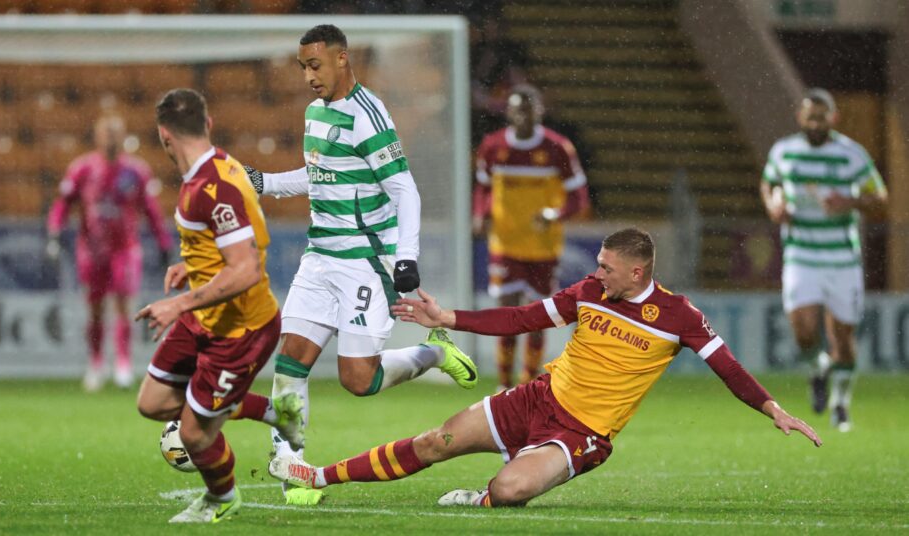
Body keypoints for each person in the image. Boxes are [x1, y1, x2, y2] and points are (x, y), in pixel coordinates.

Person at [267, 227, 822, 507]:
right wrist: (447, 316)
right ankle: (314, 477)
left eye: (607, 267)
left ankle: (480, 499)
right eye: (598, 265)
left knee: (509, 492)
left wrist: (772, 408)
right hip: (537, 397)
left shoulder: (678, 316)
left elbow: (728, 367)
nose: (596, 272)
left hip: (582, 433)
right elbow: (522, 318)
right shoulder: (589, 293)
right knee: (438, 441)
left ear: (637, 271)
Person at [243, 24, 478, 504]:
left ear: (342, 59)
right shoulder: (315, 112)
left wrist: (405, 258)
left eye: (315, 65)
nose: (309, 76)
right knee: (291, 362)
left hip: (365, 262)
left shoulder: (369, 115)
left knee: (358, 380)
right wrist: (263, 182)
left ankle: (433, 353)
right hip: (320, 257)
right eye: (303, 67)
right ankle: (294, 469)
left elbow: (403, 188)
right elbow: (320, 174)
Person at [135, 88, 299, 523]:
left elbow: (245, 269)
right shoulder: (220, 168)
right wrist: (192, 265)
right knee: (153, 403)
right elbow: (232, 243)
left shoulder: (212, 186)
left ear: (163, 135)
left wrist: (178, 304)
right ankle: (271, 410)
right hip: (206, 317)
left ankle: (223, 498)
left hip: (241, 330)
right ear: (207, 124)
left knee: (193, 432)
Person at [760, 88, 888, 432]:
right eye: (809, 116)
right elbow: (769, 183)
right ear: (800, 118)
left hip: (842, 258)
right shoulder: (784, 151)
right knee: (803, 331)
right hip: (801, 254)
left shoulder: (851, 154)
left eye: (821, 116)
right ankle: (818, 368)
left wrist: (849, 202)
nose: (815, 123)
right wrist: (774, 205)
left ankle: (841, 405)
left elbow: (879, 197)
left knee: (843, 340)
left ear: (833, 118)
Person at [473, 84, 590, 391]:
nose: (522, 115)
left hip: (542, 247)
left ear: (539, 111)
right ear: (508, 113)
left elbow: (579, 197)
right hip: (505, 243)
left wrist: (553, 215)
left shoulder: (557, 148)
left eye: (528, 109)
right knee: (507, 312)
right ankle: (502, 385)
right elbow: (483, 188)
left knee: (537, 316)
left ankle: (526, 383)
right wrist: (480, 213)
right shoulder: (493, 146)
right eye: (516, 109)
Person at [46, 113, 172, 391]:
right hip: (91, 250)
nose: (112, 139)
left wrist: (163, 242)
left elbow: (151, 210)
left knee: (124, 306)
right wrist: (54, 232)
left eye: (116, 133)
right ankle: (96, 363)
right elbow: (62, 205)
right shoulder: (83, 169)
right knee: (95, 310)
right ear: (98, 136)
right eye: (107, 133)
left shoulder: (136, 171)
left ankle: (124, 365)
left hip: (125, 250)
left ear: (123, 136)